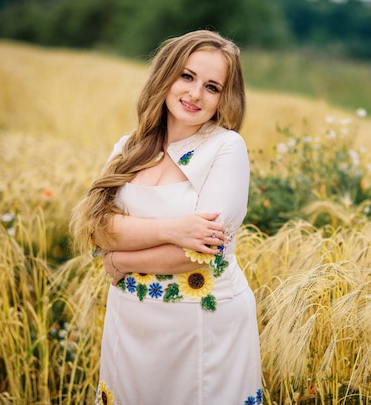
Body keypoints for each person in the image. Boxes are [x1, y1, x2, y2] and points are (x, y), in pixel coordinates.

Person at [70, 30, 263, 405]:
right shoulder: (129, 147)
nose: (194, 94)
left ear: (225, 97)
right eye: (187, 77)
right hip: (130, 318)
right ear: (166, 75)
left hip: (200, 322)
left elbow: (203, 250)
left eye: (212, 86)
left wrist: (121, 258)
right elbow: (96, 228)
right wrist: (175, 229)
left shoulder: (225, 148)